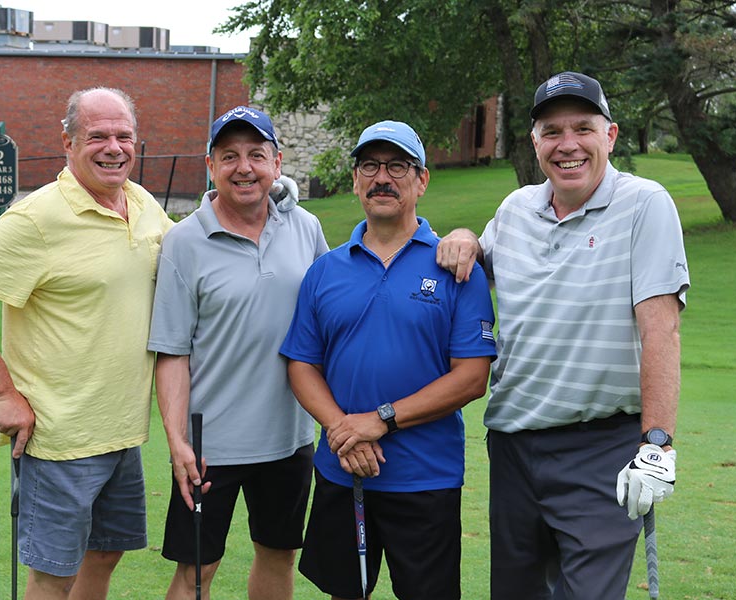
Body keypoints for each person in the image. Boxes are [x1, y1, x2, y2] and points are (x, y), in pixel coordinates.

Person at [436, 71, 690, 599]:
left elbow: (661, 326)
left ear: (610, 136)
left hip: (602, 448)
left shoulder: (645, 203)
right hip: (513, 447)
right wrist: (462, 236)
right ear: (535, 143)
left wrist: (658, 443)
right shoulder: (515, 210)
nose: (567, 144)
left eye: (582, 128)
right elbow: (475, 260)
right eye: (552, 131)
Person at [0, 87, 173, 600]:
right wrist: (3, 394)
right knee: (54, 574)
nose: (114, 147)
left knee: (105, 553)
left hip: (122, 430)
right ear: (67, 142)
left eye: (124, 135)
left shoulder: (143, 204)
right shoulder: (36, 218)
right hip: (57, 436)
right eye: (98, 136)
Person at [280, 120, 498, 600]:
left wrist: (380, 420)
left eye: (398, 166)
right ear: (355, 180)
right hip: (341, 469)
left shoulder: (455, 268)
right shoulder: (325, 270)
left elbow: (471, 377)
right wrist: (343, 429)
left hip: (424, 478)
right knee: (345, 592)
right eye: (370, 166)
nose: (382, 177)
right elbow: (302, 364)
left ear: (421, 180)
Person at [147, 105, 329, 600]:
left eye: (256, 155)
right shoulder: (184, 241)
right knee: (196, 571)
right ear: (211, 166)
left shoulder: (305, 227)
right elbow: (172, 352)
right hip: (209, 447)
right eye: (229, 156)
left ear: (277, 162)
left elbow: (330, 317)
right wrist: (177, 441)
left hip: (289, 438)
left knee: (277, 555)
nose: (243, 167)